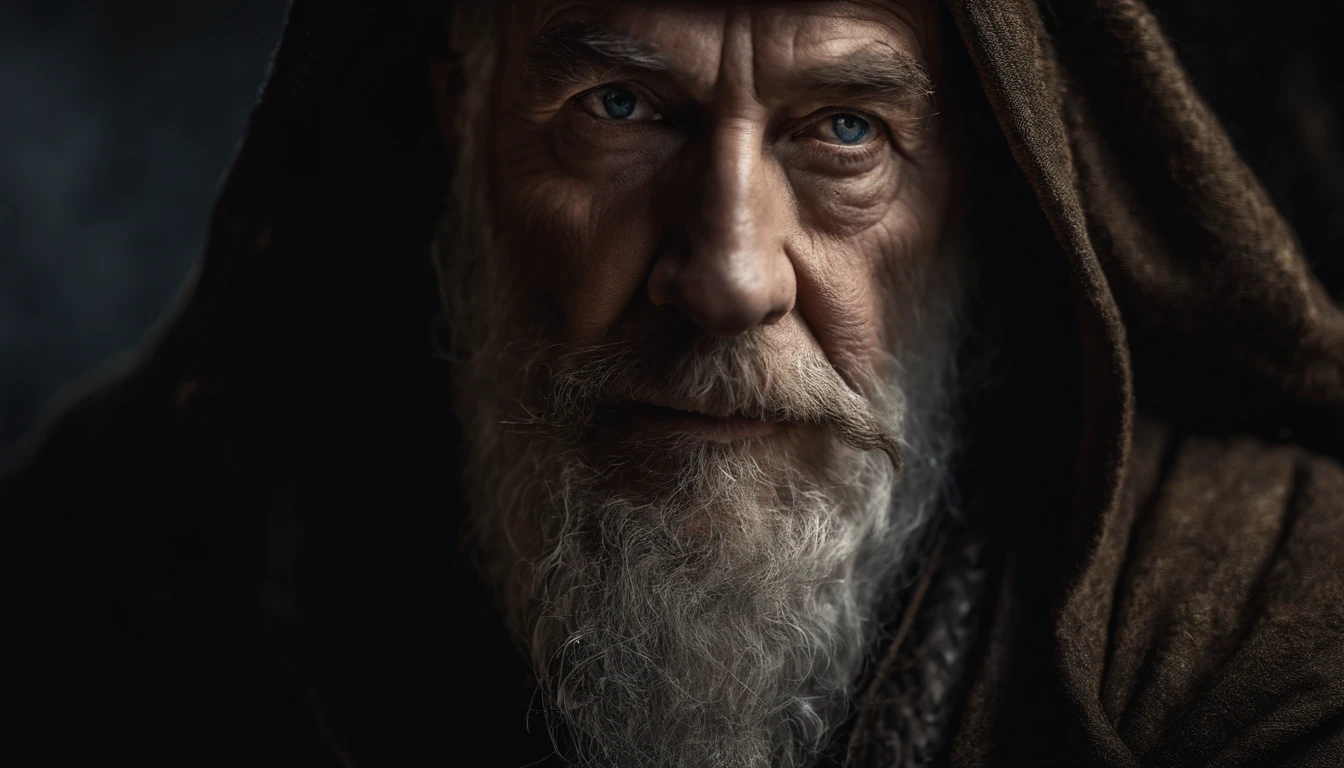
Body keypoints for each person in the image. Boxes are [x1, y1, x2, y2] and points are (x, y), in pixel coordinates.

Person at [3, 0, 1342, 766]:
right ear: (458, 108)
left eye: (845, 131)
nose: (729, 275)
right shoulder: (147, 563)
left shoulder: (1260, 615)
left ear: (989, 183)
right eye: (620, 109)